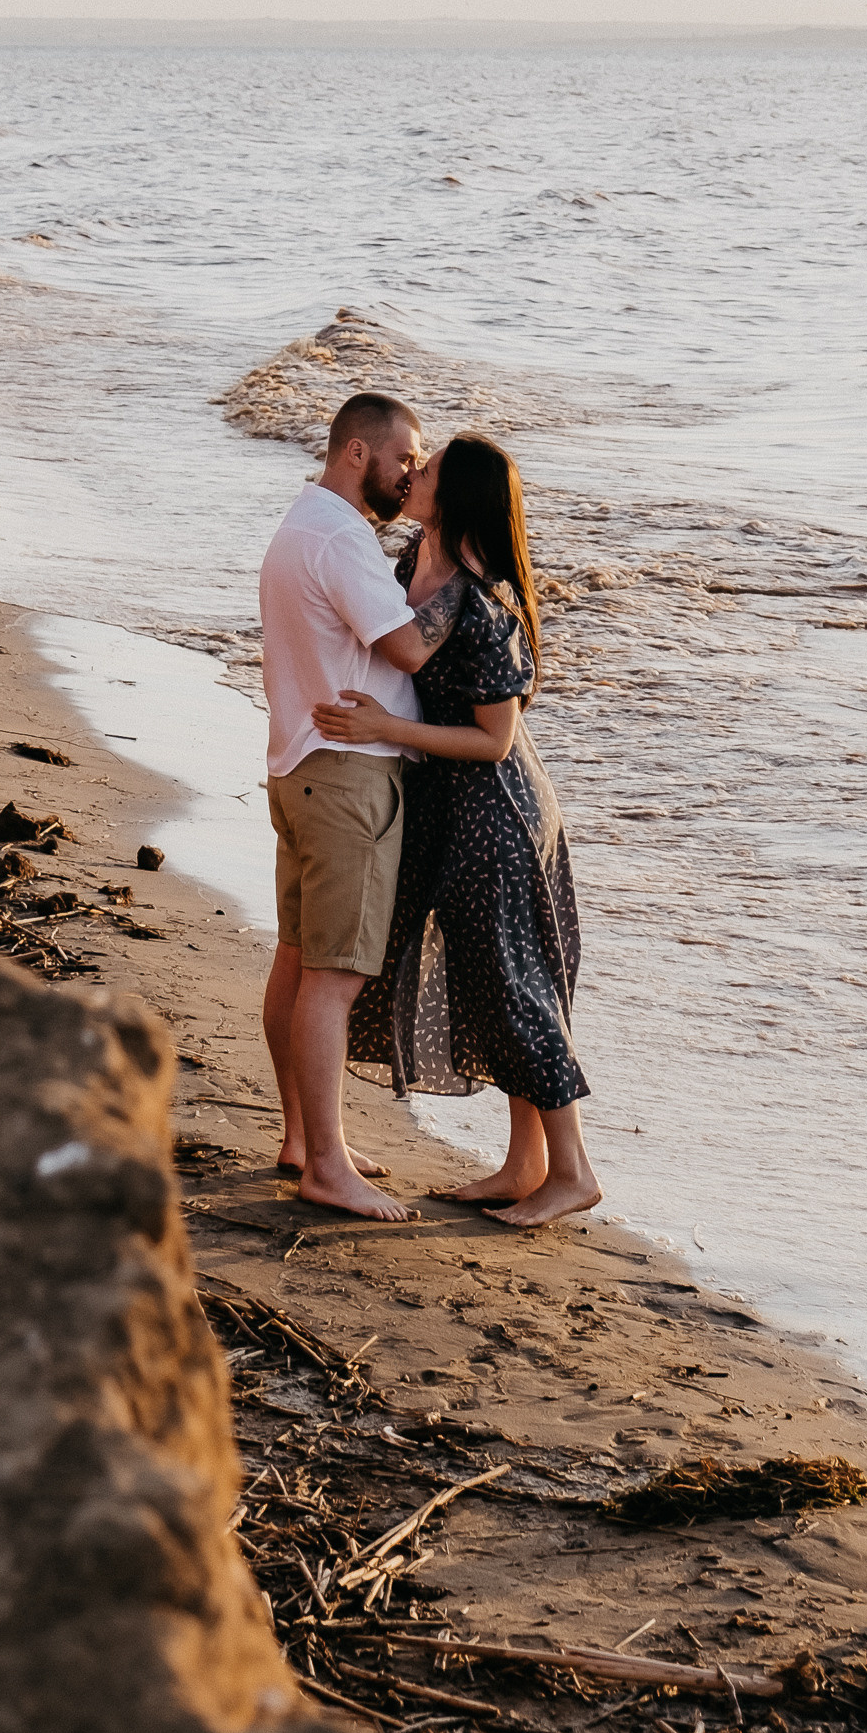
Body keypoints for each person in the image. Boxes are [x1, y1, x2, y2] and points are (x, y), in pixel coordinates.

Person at [324, 432, 600, 1230]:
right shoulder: (416, 556)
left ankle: (573, 1170)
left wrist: (386, 726)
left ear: (459, 496)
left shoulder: (482, 602)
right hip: (443, 803)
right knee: (489, 980)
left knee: (513, 984)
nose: (413, 474)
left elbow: (494, 742)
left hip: (497, 813)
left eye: (431, 469)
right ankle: (523, 1166)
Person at [258, 390, 434, 1219]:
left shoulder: (300, 526)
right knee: (332, 977)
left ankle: (302, 1139)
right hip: (347, 778)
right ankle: (326, 1164)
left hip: (297, 768)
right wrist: (464, 578)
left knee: (296, 960)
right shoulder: (341, 539)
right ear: (358, 453)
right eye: (403, 458)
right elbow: (407, 646)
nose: (408, 476)